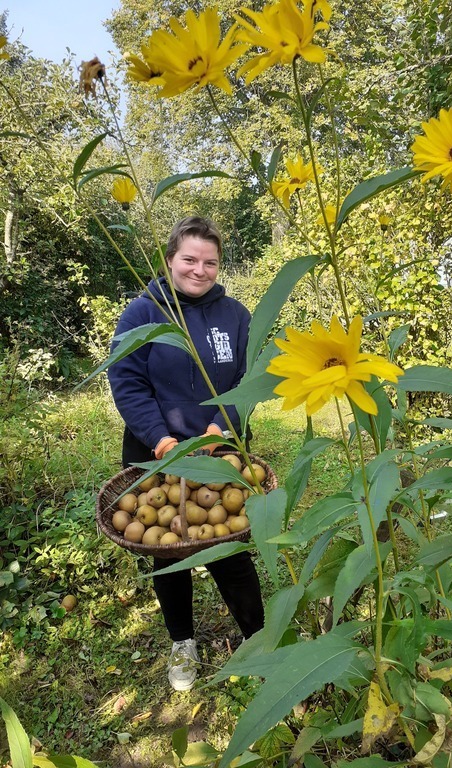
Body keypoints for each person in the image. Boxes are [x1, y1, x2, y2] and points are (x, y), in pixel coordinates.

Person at [108, 216, 264, 691]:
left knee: (231, 551)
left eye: (210, 262)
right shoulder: (143, 314)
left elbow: (249, 377)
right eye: (190, 259)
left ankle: (259, 643)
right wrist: (161, 440)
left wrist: (223, 426)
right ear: (170, 258)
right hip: (158, 455)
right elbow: (127, 383)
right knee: (168, 553)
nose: (200, 270)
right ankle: (182, 643)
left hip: (221, 451)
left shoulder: (236, 315)